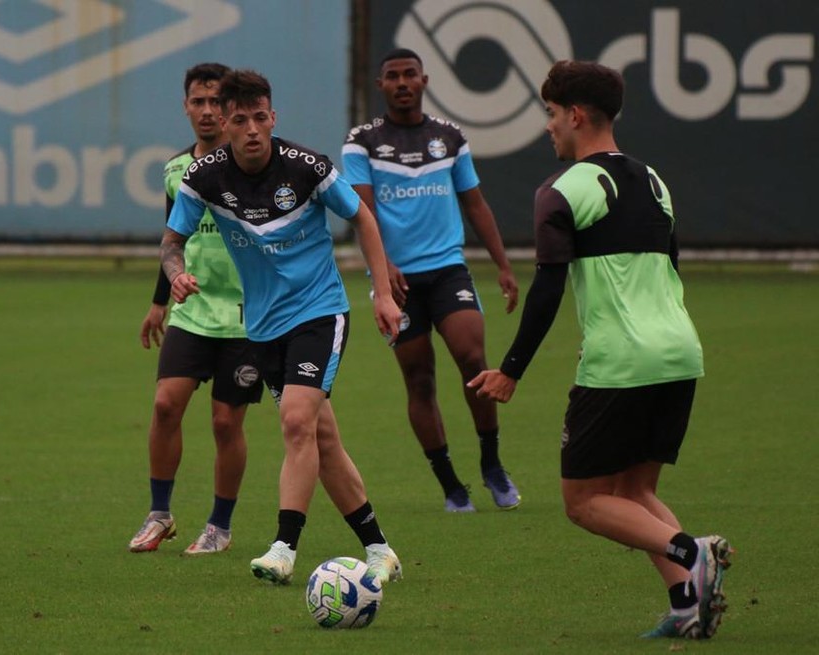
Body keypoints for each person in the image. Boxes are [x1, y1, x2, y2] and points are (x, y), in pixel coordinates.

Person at [467, 60, 733, 639]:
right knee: (635, 492)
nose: (549, 127)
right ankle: (689, 605)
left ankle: (693, 552)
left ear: (577, 115)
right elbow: (672, 266)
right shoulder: (656, 180)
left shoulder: (560, 190)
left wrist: (510, 370)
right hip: (681, 352)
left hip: (621, 362)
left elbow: (548, 288)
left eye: (552, 114)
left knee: (584, 501)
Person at [161, 68, 404, 586]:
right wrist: (176, 276)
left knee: (296, 421)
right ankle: (379, 549)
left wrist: (380, 294)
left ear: (273, 118)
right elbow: (171, 244)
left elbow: (362, 216)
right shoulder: (203, 179)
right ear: (224, 123)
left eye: (260, 117)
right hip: (265, 324)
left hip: (320, 311)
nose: (252, 129)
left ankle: (283, 547)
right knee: (322, 438)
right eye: (240, 119)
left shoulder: (307, 167)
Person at [342, 48, 521, 512]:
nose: (402, 82)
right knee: (419, 381)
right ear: (380, 85)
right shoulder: (361, 141)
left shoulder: (450, 136)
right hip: (395, 282)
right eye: (392, 76)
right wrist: (384, 267)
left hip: (447, 270)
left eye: (409, 75)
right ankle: (450, 485)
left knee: (473, 359)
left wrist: (502, 264)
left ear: (424, 79)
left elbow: (475, 203)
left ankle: (492, 464)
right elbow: (362, 209)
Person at [128, 62, 263, 556]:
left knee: (226, 423)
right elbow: (173, 241)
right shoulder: (175, 171)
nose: (207, 112)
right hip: (193, 309)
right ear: (186, 107)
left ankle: (219, 527)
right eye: (198, 102)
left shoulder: (254, 166)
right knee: (165, 406)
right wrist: (159, 300)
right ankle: (159, 514)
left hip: (248, 315)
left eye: (215, 103)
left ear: (230, 110)